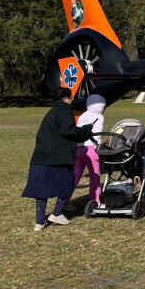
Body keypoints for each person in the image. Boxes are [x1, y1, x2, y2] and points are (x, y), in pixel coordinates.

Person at [21, 88, 93, 230]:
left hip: (41, 157)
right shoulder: (65, 110)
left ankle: (40, 221)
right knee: (67, 184)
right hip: (59, 158)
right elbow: (69, 131)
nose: (72, 99)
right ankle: (57, 213)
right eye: (71, 97)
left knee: (41, 189)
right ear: (66, 98)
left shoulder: (51, 111)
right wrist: (86, 130)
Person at [71, 93, 105, 207]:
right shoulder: (99, 116)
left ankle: (65, 201)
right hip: (91, 149)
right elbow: (97, 134)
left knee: (75, 176)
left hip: (78, 148)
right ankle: (95, 201)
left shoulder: (83, 115)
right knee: (94, 176)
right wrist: (98, 147)